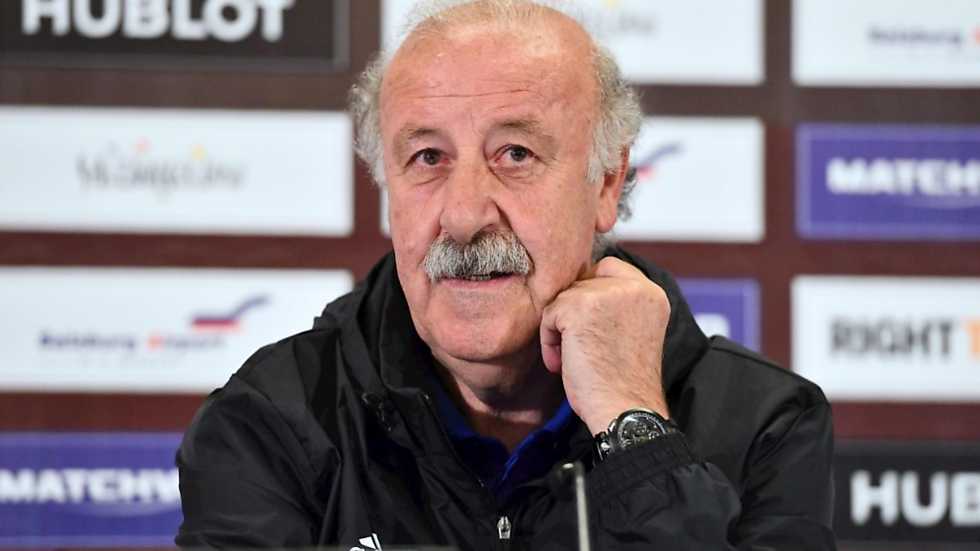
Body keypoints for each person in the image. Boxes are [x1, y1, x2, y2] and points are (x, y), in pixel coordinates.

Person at [176, 1, 836, 549]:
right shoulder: (272, 423)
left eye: (515, 153)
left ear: (606, 182)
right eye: (427, 157)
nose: (464, 216)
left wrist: (635, 430)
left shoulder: (765, 425)